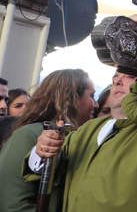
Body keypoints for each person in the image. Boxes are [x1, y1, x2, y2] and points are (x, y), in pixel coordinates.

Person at [30, 14, 137, 212]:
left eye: (129, 76)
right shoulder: (86, 131)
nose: (117, 81)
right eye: (116, 75)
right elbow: (41, 171)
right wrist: (40, 150)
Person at [0, 69, 96, 211]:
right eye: (91, 96)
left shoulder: (80, 138)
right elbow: (13, 203)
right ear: (71, 98)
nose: (96, 104)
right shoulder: (28, 135)